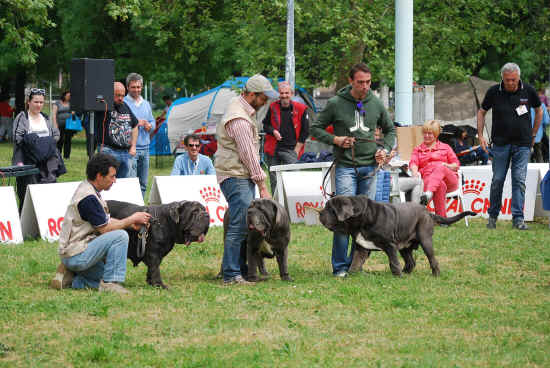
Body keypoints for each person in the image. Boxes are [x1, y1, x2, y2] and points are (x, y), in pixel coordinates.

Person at [310, 62, 395, 278]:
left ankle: (356, 265)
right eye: (360, 82)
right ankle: (340, 267)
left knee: (366, 220)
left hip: (370, 168)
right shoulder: (336, 103)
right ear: (350, 81)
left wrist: (383, 150)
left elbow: (390, 130)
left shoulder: (375, 102)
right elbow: (315, 128)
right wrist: (336, 139)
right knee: (342, 217)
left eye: (368, 82)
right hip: (346, 167)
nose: (365, 86)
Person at [51, 153, 151, 293]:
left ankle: (74, 279)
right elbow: (105, 228)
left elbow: (105, 220)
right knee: (120, 236)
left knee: (101, 276)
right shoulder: (89, 198)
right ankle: (110, 283)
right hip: (76, 253)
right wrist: (131, 219)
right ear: (99, 176)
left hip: (76, 252)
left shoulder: (89, 190)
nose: (115, 180)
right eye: (112, 176)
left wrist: (129, 224)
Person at [215, 74, 277, 285]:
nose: (265, 102)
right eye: (262, 98)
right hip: (236, 175)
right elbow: (248, 154)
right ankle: (231, 275)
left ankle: (237, 269)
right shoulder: (239, 119)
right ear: (251, 94)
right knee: (238, 226)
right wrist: (262, 184)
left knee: (239, 223)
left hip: (236, 174)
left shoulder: (240, 108)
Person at [477, 62, 542, 230]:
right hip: (500, 144)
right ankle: (492, 217)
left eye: (513, 80)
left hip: (522, 144)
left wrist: (534, 134)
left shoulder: (528, 90)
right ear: (502, 78)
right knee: (497, 180)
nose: (510, 83)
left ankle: (518, 219)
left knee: (519, 180)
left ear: (518, 77)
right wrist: (480, 136)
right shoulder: (494, 91)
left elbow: (539, 110)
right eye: (507, 80)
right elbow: (481, 112)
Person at [12, 88, 62, 207]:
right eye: (36, 102)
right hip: (28, 161)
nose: (39, 105)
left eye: (41, 102)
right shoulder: (22, 117)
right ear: (28, 102)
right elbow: (17, 137)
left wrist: (43, 146)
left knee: (46, 195)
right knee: (27, 196)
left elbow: (56, 135)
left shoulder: (45, 118)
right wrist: (36, 144)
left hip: (47, 162)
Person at [262, 81, 309, 195]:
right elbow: (265, 125)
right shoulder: (273, 107)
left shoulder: (301, 108)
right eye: (282, 93)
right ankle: (276, 205)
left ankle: (293, 202)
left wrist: (297, 150)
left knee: (294, 178)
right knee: (274, 181)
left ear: (291, 94)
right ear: (279, 94)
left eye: (286, 93)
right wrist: (273, 131)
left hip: (291, 149)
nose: (284, 96)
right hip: (273, 149)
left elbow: (305, 131)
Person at [409, 120, 460, 219]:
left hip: (450, 181)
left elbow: (456, 165)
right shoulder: (418, 149)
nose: (426, 136)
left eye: (430, 133)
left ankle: (428, 193)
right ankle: (441, 219)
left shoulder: (446, 147)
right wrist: (414, 172)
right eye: (425, 133)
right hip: (429, 181)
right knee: (439, 185)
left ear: (436, 134)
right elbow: (413, 163)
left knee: (440, 166)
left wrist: (446, 165)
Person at [97, 82, 139, 178]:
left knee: (123, 184)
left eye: (122, 95)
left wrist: (133, 146)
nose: (120, 98)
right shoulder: (103, 105)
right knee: (107, 180)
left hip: (125, 152)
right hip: (108, 150)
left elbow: (135, 125)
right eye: (117, 95)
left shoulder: (125, 106)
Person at [124, 73, 155, 196]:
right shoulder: (124, 103)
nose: (136, 90)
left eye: (138, 87)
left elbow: (153, 121)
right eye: (133, 87)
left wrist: (150, 126)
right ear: (127, 87)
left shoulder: (146, 104)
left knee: (143, 183)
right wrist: (136, 123)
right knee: (131, 182)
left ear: (142, 87)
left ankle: (141, 207)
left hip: (145, 148)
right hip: (131, 149)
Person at [52, 91, 74, 159]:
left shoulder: (71, 103)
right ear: (64, 96)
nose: (68, 97)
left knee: (68, 140)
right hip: (60, 124)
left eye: (70, 96)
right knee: (59, 140)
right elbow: (54, 114)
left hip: (69, 124)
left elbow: (74, 111)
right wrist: (55, 124)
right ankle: (58, 154)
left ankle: (67, 156)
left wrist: (73, 113)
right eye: (67, 96)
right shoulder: (57, 103)